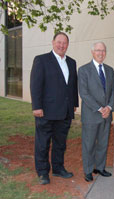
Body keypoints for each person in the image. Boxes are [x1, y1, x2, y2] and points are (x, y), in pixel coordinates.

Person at [30, 32, 79, 185]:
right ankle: (43, 173)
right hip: (46, 111)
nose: (61, 45)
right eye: (59, 42)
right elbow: (35, 84)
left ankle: (58, 169)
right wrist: (36, 106)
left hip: (65, 111)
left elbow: (72, 85)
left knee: (60, 143)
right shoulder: (42, 60)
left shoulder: (71, 62)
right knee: (43, 143)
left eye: (64, 43)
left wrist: (74, 104)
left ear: (68, 45)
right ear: (53, 42)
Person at [78, 42, 114, 182]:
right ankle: (88, 170)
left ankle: (99, 167)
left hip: (107, 114)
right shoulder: (83, 70)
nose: (101, 53)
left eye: (103, 50)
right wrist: (100, 109)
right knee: (89, 144)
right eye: (98, 50)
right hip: (91, 115)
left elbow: (113, 92)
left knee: (103, 143)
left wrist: (109, 108)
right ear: (92, 52)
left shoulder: (110, 70)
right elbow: (84, 93)